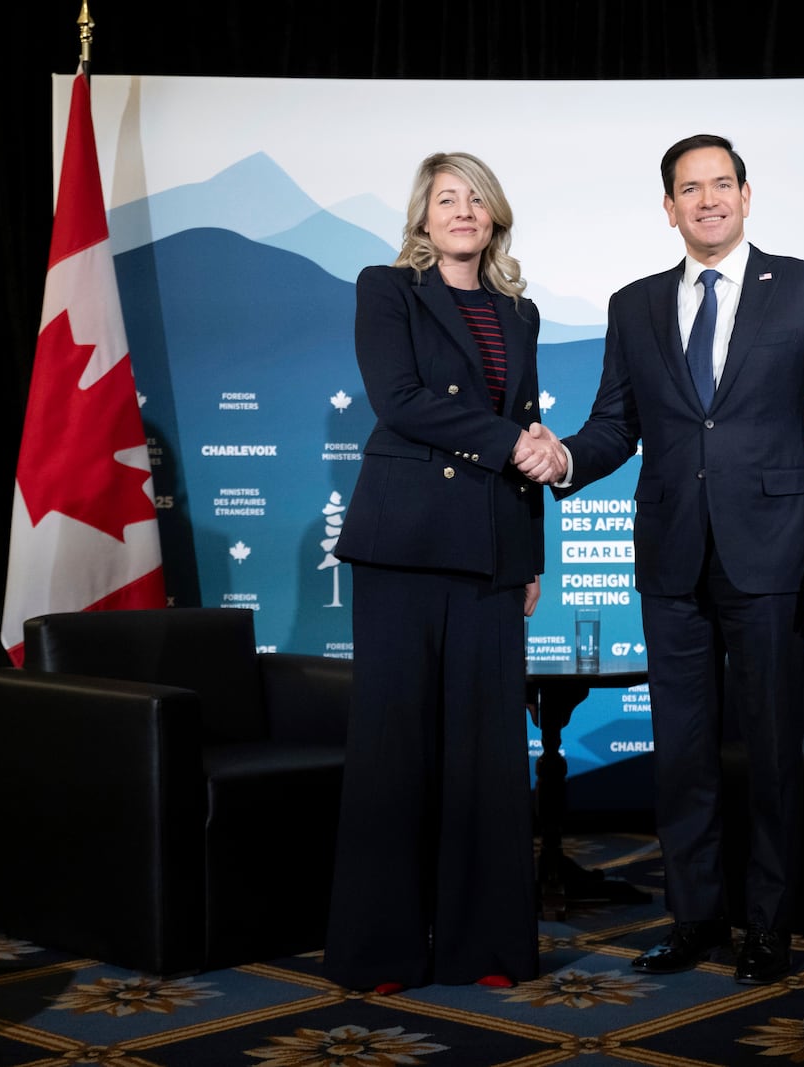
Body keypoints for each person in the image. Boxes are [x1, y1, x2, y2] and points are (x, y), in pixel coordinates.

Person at [517, 133, 804, 985]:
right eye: (690, 187)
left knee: (771, 747)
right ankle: (694, 917)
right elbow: (615, 424)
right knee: (682, 750)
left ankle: (769, 925)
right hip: (672, 557)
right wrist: (564, 457)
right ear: (668, 207)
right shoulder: (633, 304)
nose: (707, 199)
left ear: (747, 196)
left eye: (722, 184)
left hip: (776, 550)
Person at [324, 151, 564, 993]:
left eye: (475, 199)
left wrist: (531, 553)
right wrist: (513, 444)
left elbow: (527, 419)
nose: (462, 211)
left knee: (489, 755)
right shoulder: (385, 289)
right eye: (445, 198)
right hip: (405, 544)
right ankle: (381, 951)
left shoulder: (520, 311)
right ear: (423, 218)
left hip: (495, 549)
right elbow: (401, 401)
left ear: (495, 216)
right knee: (394, 747)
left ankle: (486, 948)